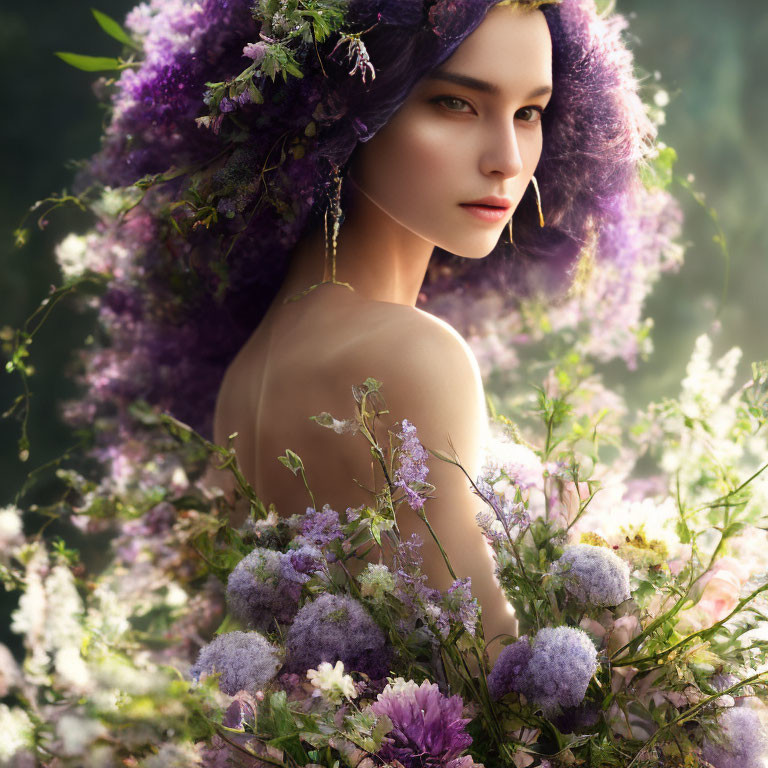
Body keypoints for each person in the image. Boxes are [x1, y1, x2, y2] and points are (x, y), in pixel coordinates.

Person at [66, 0, 664, 666]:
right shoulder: (412, 355)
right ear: (345, 108)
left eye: (529, 112)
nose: (508, 158)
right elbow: (495, 681)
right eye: (457, 105)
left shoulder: (251, 370)